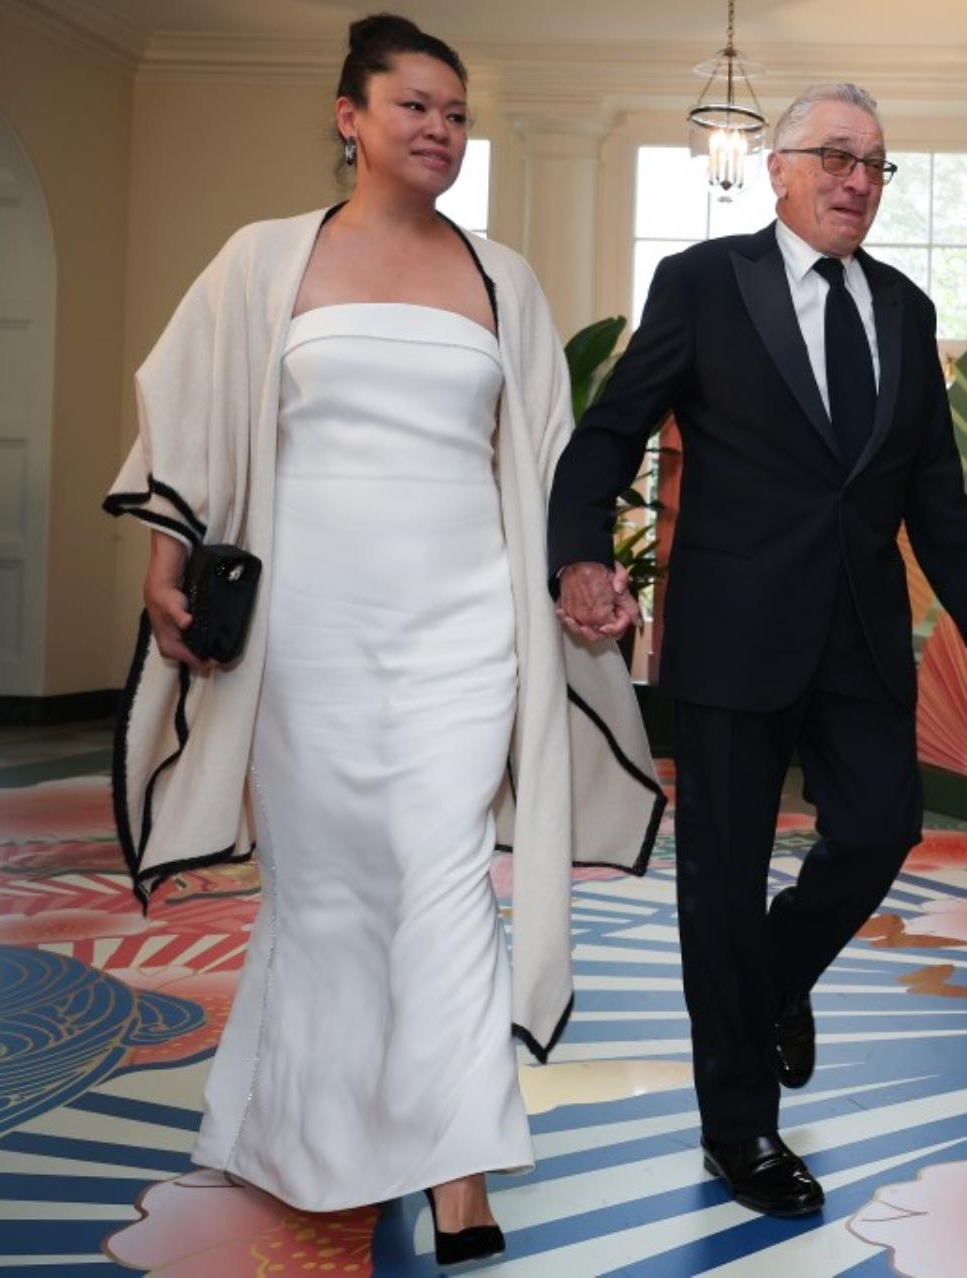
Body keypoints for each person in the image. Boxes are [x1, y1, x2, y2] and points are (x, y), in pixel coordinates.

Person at [103, 14, 663, 1264]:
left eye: (457, 116)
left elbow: (549, 456)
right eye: (415, 106)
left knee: (448, 878)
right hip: (310, 633)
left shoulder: (501, 279)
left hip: (467, 624)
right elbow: (188, 418)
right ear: (349, 117)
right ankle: (307, 1133)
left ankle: (459, 1174)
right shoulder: (262, 262)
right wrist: (163, 561)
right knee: (329, 889)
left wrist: (580, 579)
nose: (440, 132)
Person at [548, 82, 967, 1217]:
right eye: (839, 158)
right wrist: (576, 556)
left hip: (862, 634)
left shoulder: (904, 306)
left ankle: (773, 978)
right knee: (717, 883)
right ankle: (740, 1131)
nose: (860, 180)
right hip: (731, 636)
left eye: (877, 164)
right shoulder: (704, 285)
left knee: (880, 829)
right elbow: (612, 428)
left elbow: (931, 481)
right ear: (783, 169)